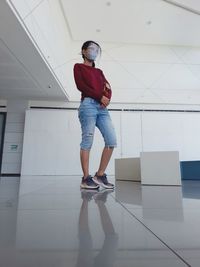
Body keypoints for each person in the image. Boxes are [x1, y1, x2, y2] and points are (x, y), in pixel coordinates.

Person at [73, 40, 117, 190]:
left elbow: (107, 87)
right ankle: (86, 178)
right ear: (84, 51)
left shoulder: (99, 72)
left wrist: (107, 98)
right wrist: (100, 96)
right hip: (88, 105)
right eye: (91, 48)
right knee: (88, 140)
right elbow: (81, 86)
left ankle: (100, 175)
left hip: (102, 108)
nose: (94, 51)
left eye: (96, 50)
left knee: (111, 140)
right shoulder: (78, 67)